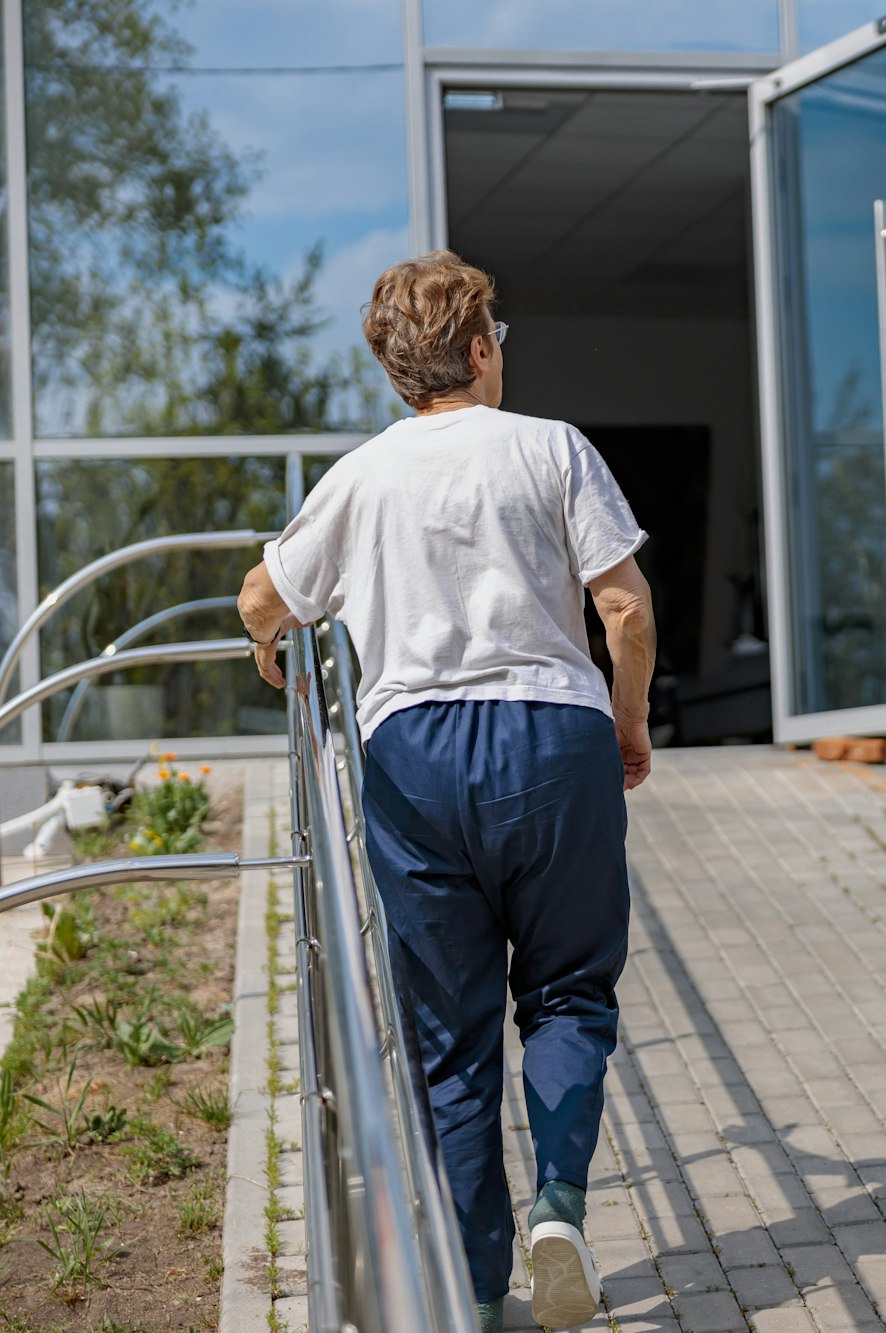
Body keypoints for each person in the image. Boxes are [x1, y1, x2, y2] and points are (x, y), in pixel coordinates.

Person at [237, 250, 656, 1333]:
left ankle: (473, 1289)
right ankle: (559, 1205)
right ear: (478, 350)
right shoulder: (553, 450)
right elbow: (626, 610)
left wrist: (274, 647)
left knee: (449, 1036)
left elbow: (260, 597)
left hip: (415, 758)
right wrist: (627, 721)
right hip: (556, 744)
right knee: (567, 992)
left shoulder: (363, 474)